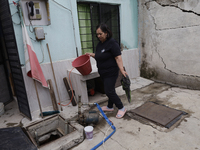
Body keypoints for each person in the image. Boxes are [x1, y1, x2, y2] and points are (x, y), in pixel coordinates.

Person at [86, 23, 128, 119]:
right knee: (110, 89)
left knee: (109, 91)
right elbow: (99, 55)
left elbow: (118, 57)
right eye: (97, 34)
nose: (98, 36)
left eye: (100, 34)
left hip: (111, 72)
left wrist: (122, 70)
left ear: (106, 33)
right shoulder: (100, 44)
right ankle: (110, 106)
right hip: (103, 72)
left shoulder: (112, 43)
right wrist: (91, 54)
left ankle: (121, 107)